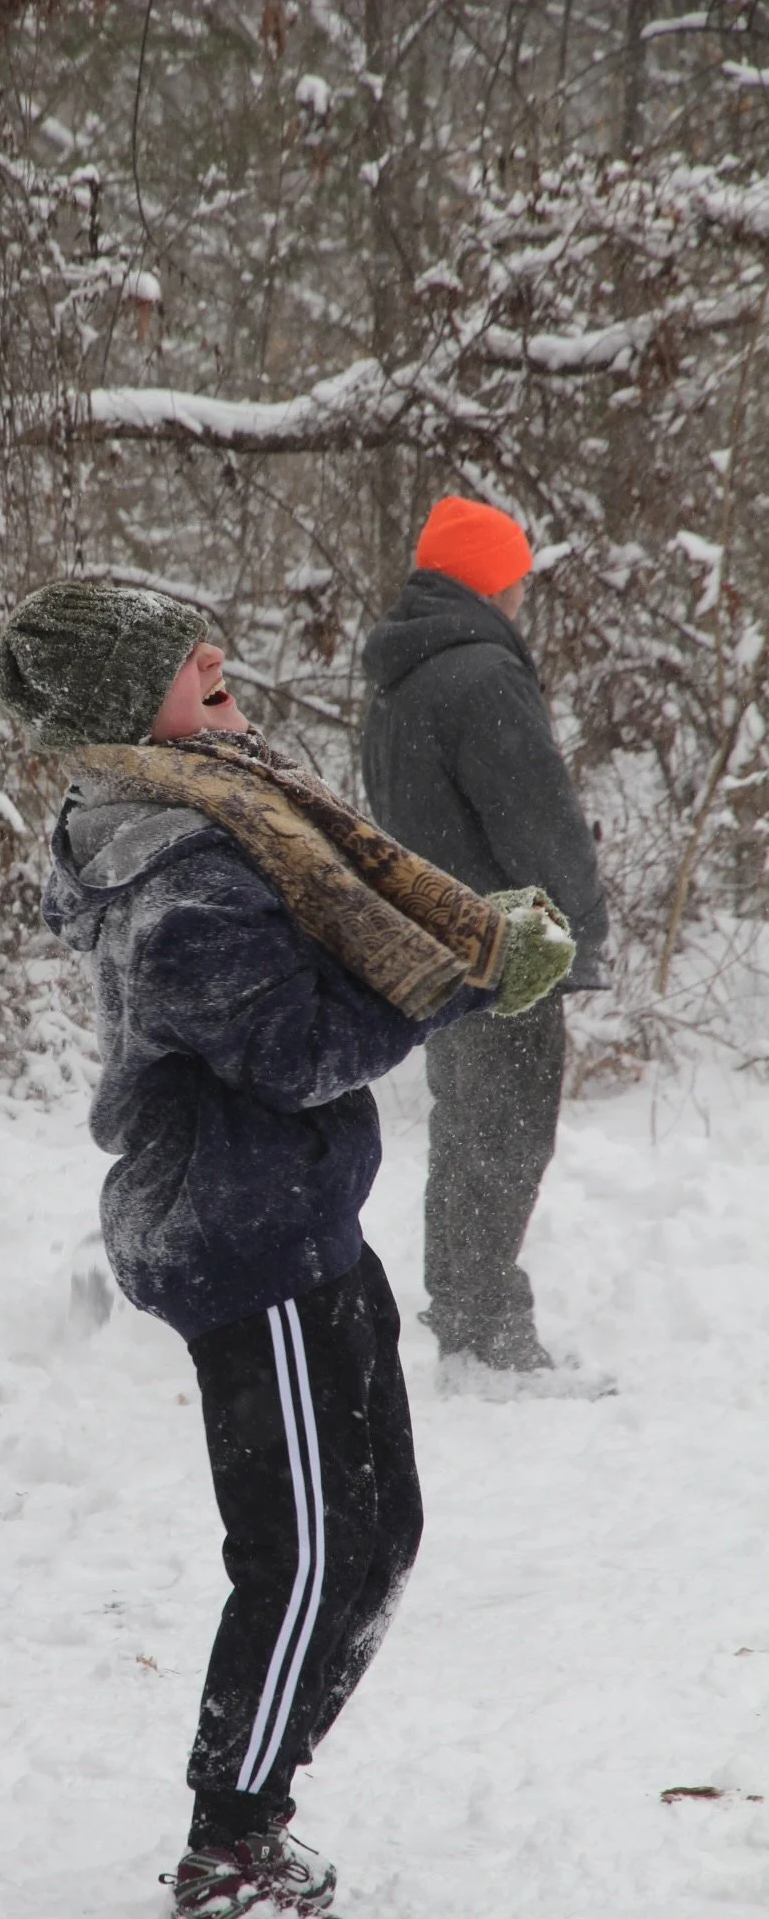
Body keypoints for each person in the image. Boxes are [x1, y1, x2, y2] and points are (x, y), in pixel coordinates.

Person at [0, 580, 572, 1916]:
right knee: (308, 1553)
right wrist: (458, 978)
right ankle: (229, 1838)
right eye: (180, 662)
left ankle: (258, 1794)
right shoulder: (180, 869)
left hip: (297, 1215)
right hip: (245, 1240)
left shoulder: (227, 810)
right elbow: (296, 1052)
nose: (215, 657)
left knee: (384, 1531)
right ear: (130, 709)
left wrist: (456, 945)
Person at [361, 496, 610, 1384]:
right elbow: (541, 825)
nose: (520, 598)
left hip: (442, 946)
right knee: (505, 1138)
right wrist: (575, 936)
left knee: (469, 1134)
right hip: (510, 947)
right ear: (490, 578)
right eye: (515, 580)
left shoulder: (401, 676)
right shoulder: (479, 675)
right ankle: (487, 1331)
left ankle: (467, 1316)